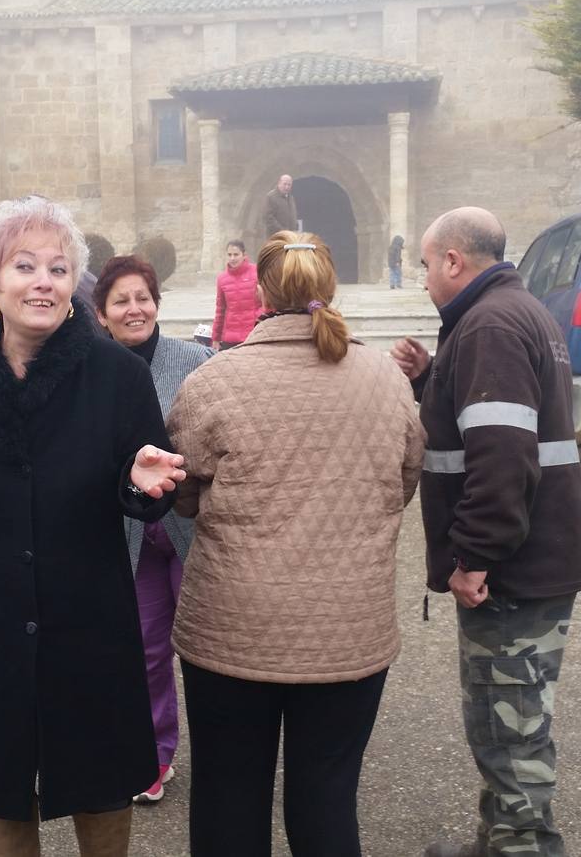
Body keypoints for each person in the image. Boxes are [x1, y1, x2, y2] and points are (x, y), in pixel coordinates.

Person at [0, 196, 188, 857]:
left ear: (76, 284)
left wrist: (143, 485)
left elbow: (145, 486)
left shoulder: (117, 377)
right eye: (25, 265)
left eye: (58, 267)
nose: (42, 280)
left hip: (88, 616)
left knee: (100, 778)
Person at [166, 231, 425, 857]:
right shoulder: (387, 380)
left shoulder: (215, 380)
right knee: (328, 796)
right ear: (329, 288)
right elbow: (404, 478)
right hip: (348, 631)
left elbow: (184, 490)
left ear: (259, 291)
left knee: (229, 794)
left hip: (233, 629)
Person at [390, 208, 581, 857]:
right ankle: (502, 841)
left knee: (509, 730)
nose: (422, 279)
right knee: (512, 723)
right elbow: (495, 420)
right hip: (534, 561)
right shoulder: (514, 312)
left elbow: (502, 457)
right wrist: (431, 379)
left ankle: (520, 849)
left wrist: (473, 557)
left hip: (511, 570)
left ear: (453, 260)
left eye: (425, 265)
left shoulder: (489, 326)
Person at [93, 254, 213, 804]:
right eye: (121, 300)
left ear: (157, 304)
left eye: (143, 298)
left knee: (209, 649)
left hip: (193, 532)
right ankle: (155, 756)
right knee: (144, 651)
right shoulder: (91, 371)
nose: (134, 309)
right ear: (101, 314)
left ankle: (223, 755)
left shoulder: (197, 360)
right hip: (131, 538)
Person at [211, 239, 260, 351]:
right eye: (229, 255)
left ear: (244, 255)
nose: (232, 258)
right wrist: (216, 338)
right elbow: (220, 310)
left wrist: (257, 318)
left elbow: (266, 302)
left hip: (253, 335)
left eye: (236, 254)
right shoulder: (222, 279)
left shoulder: (257, 272)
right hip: (230, 338)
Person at [262, 174, 298, 238]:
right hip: (275, 237)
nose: (287, 187)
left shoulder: (291, 198)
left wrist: (295, 230)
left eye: (289, 185)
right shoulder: (271, 197)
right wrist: (282, 231)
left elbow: (293, 216)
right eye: (285, 184)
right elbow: (268, 218)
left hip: (289, 238)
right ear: (279, 183)